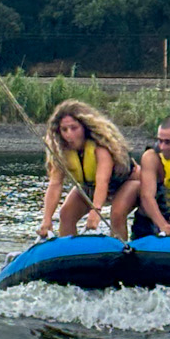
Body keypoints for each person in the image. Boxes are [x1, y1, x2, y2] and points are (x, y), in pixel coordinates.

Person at [37, 100, 134, 240]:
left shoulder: (100, 149)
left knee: (117, 214)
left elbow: (102, 182)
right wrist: (47, 219)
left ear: (84, 127)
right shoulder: (62, 154)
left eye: (74, 128)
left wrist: (95, 212)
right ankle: (69, 252)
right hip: (89, 187)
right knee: (66, 214)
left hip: (126, 183)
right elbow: (55, 184)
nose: (69, 134)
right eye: (64, 130)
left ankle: (121, 249)